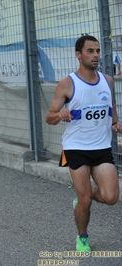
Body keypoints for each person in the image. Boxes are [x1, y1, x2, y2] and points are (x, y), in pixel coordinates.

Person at [46, 35, 120, 252]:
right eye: (90, 51)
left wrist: (115, 123)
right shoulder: (68, 84)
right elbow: (49, 117)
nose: (96, 55)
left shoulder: (107, 80)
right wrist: (60, 115)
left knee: (111, 197)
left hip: (102, 148)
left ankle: (80, 201)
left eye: (97, 51)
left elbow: (110, 104)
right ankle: (82, 237)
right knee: (87, 199)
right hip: (76, 148)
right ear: (78, 55)